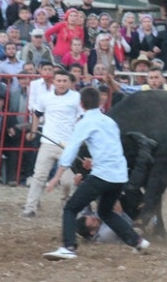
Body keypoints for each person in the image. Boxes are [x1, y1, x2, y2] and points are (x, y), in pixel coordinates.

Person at [43, 86, 150, 260]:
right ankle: (136, 240)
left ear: (81, 104)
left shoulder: (84, 123)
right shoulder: (109, 121)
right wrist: (94, 162)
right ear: (99, 102)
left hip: (103, 175)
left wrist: (56, 176)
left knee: (71, 208)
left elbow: (71, 149)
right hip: (119, 175)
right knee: (105, 212)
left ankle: (69, 247)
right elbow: (112, 148)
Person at [22, 70, 81, 218]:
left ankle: (66, 204)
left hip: (68, 145)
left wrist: (76, 135)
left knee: (67, 181)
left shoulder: (76, 98)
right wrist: (34, 131)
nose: (61, 84)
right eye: (59, 81)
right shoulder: (45, 98)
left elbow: (81, 117)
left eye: (64, 81)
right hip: (48, 142)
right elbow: (37, 114)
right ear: (53, 82)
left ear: (69, 82)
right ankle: (30, 207)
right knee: (39, 176)